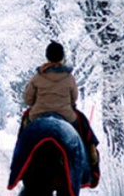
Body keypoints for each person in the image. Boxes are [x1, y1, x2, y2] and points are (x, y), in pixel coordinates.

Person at [23, 40, 99, 186]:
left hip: (38, 116)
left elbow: (28, 99)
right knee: (83, 130)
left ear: (47, 57)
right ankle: (90, 159)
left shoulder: (37, 77)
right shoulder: (69, 77)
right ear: (61, 57)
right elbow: (74, 98)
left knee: (24, 130)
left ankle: (22, 163)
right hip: (66, 116)